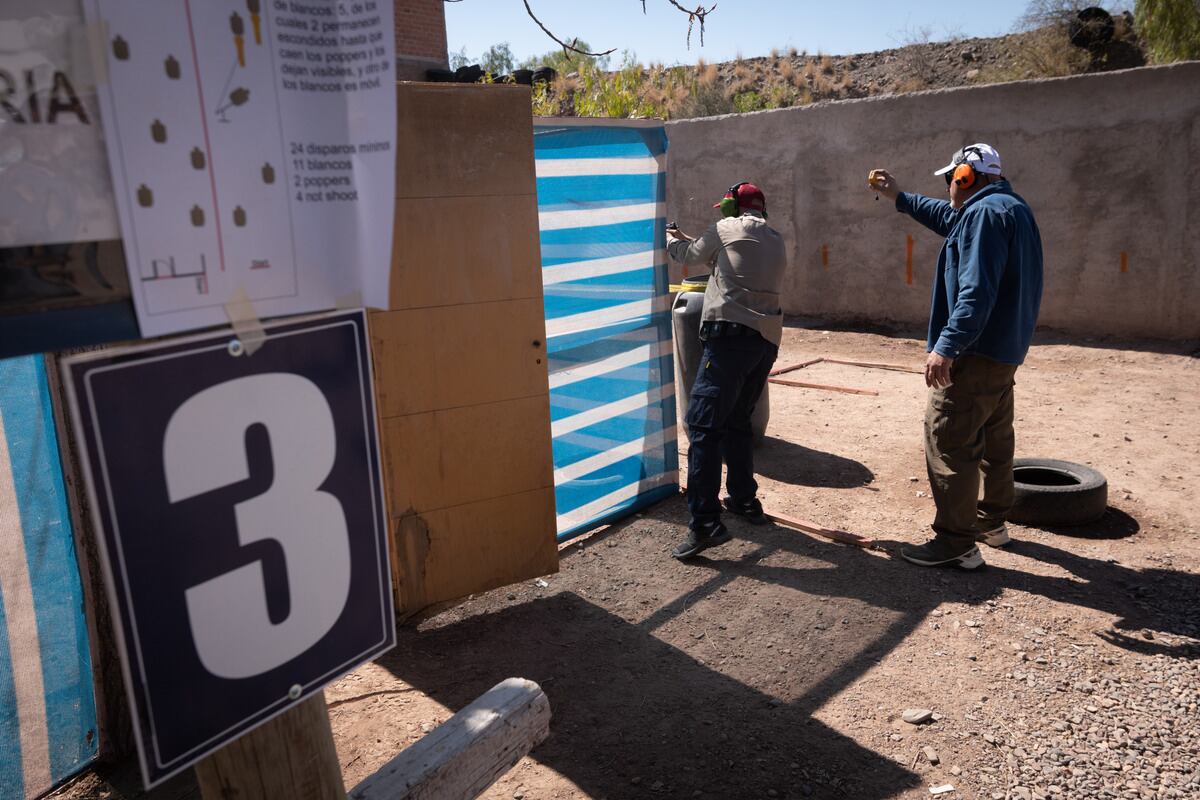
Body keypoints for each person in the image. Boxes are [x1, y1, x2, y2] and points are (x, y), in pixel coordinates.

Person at [869, 144, 1043, 569]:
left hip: (975, 351)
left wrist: (947, 345)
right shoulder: (1008, 208)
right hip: (1003, 351)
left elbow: (976, 291)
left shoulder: (983, 215)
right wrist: (900, 196)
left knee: (948, 437)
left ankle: (956, 543)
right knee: (995, 438)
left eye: (952, 177)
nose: (948, 186)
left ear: (967, 176)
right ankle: (991, 522)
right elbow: (947, 218)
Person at [666, 182, 788, 559]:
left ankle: (705, 521)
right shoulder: (774, 237)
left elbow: (688, 255)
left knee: (702, 426)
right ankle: (743, 500)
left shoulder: (723, 228)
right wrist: (692, 238)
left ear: (732, 206)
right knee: (737, 421)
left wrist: (671, 239)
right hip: (764, 342)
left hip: (730, 339)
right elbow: (725, 257)